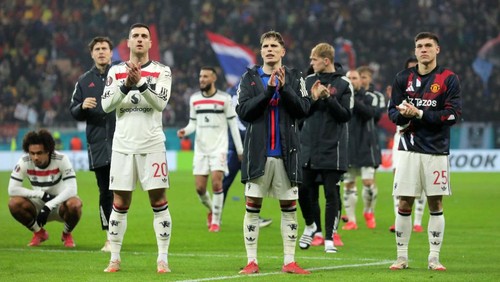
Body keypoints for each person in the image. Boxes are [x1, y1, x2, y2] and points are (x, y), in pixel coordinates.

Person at [236, 30, 311, 275]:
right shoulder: (249, 78)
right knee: (252, 206)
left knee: (289, 206)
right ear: (261, 51)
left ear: (282, 51)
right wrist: (268, 92)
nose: (269, 49)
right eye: (265, 46)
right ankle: (251, 261)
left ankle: (289, 261)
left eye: (274, 46)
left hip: (286, 153)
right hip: (258, 153)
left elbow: (303, 109)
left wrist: (284, 88)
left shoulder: (295, 76)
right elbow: (244, 112)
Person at [101, 23, 173, 273]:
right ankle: (115, 258)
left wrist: (140, 82)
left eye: (144, 36)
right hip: (122, 145)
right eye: (135, 36)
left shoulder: (162, 71)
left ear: (150, 43)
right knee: (120, 202)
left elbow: (161, 103)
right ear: (128, 43)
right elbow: (107, 106)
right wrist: (125, 85)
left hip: (152, 144)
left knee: (159, 199)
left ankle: (162, 258)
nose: (140, 40)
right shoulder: (115, 71)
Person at [388, 32, 462, 271]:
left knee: (435, 202)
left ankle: (434, 257)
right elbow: (392, 113)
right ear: (415, 50)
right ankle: (401, 257)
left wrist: (419, 114)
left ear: (437, 50)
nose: (423, 50)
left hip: (436, 151)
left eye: (428, 45)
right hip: (408, 149)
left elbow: (452, 115)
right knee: (404, 202)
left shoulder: (449, 79)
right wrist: (403, 114)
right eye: (419, 46)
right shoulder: (402, 78)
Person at [298, 43, 353, 253]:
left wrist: (328, 98)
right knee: (304, 190)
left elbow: (346, 115)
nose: (311, 63)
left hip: (334, 147)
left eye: (313, 59)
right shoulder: (308, 81)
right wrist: (312, 99)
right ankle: (313, 228)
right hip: (309, 146)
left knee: (331, 193)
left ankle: (329, 238)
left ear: (326, 60)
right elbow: (300, 112)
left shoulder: (344, 83)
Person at [177, 66, 243, 232]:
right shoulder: (194, 99)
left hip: (219, 149)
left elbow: (233, 125)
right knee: (200, 188)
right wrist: (185, 131)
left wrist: (240, 150)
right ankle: (213, 210)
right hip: (201, 150)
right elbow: (193, 123)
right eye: (200, 76)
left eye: (206, 76)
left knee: (216, 182)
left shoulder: (224, 99)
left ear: (214, 78)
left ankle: (215, 221)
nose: (202, 80)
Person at [69, 36, 116, 251]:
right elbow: (73, 110)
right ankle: (110, 237)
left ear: (111, 52)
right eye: (97, 49)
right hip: (97, 144)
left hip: (122, 142)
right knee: (105, 191)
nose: (101, 52)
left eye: (104, 48)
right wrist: (82, 107)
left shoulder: (121, 75)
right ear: (92, 54)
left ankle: (117, 233)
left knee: (122, 191)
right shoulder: (83, 81)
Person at [8, 129, 82, 248]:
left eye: (39, 153)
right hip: (38, 204)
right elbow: (12, 189)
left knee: (75, 204)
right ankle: (39, 233)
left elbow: (72, 189)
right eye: (32, 153)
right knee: (14, 203)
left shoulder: (61, 159)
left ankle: (66, 234)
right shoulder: (24, 161)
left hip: (59, 203)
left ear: (48, 151)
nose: (35, 157)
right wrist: (40, 195)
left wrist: (49, 205)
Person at [221, 83, 272, 228]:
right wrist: (242, 144)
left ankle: (253, 217)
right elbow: (236, 122)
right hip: (237, 148)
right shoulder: (236, 94)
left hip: (243, 146)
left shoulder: (238, 92)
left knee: (249, 182)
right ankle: (216, 215)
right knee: (228, 182)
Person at [389, 56, 427, 233]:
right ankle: (399, 218)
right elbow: (393, 113)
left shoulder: (429, 88)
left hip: (424, 137)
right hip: (402, 137)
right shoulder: (401, 85)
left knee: (422, 180)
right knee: (398, 177)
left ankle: (418, 221)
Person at [342, 68, 383, 230]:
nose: (352, 81)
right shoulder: (341, 98)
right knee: (348, 184)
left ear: (360, 81)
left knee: (367, 183)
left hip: (366, 146)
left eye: (355, 78)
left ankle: (368, 211)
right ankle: (351, 220)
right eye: (349, 78)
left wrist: (352, 99)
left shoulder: (370, 97)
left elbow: (369, 114)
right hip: (348, 147)